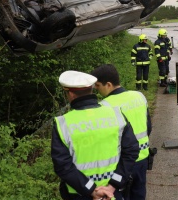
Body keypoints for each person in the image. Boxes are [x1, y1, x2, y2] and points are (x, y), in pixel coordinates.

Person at [51, 70, 139, 200]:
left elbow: (63, 166)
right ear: (92, 90)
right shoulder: (116, 114)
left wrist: (91, 190)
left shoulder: (62, 123)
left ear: (70, 94)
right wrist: (112, 186)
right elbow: (131, 151)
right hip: (113, 193)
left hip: (79, 194)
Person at [91, 64, 152, 200]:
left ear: (108, 84)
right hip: (143, 158)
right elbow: (148, 127)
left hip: (122, 164)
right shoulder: (139, 96)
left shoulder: (104, 106)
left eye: (98, 85)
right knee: (139, 194)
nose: (97, 90)